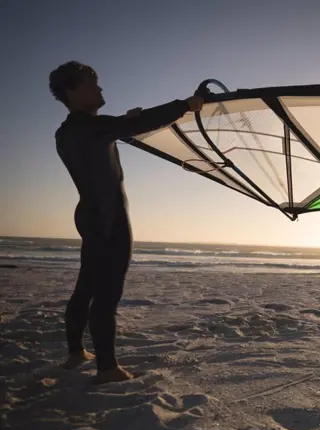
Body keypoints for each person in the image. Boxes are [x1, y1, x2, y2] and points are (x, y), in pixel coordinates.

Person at [49, 61, 204, 383]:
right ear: (72, 91)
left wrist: (124, 122)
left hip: (90, 214)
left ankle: (76, 352)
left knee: (86, 286)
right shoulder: (91, 127)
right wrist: (186, 105)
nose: (101, 89)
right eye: (93, 84)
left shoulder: (67, 131)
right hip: (109, 217)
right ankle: (107, 368)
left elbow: (113, 130)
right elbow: (136, 123)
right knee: (107, 293)